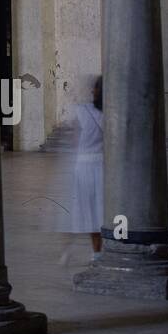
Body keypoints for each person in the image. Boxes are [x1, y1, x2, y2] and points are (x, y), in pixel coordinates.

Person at [62, 76, 104, 261]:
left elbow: (73, 139)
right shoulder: (111, 114)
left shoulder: (81, 111)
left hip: (83, 166)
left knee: (83, 210)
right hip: (103, 166)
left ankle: (78, 250)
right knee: (100, 211)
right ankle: (98, 252)